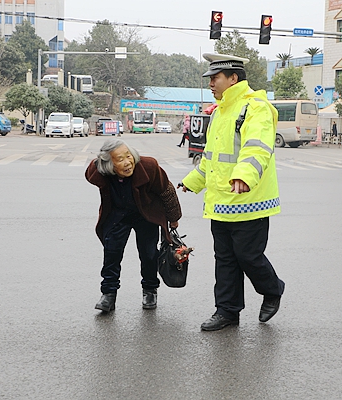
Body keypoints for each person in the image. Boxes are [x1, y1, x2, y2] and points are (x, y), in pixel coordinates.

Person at [179, 53, 285, 331]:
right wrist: (192, 181)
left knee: (248, 257)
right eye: (210, 79)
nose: (211, 83)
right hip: (221, 202)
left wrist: (245, 176)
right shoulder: (220, 111)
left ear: (233, 78)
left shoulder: (255, 107)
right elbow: (212, 158)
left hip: (250, 200)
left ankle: (272, 289)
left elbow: (257, 147)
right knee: (225, 260)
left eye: (215, 78)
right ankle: (227, 311)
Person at [86, 139, 182, 312]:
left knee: (149, 253)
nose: (127, 162)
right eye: (120, 159)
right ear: (109, 164)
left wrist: (173, 218)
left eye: (128, 156)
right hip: (117, 214)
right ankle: (108, 294)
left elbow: (167, 191)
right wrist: (101, 159)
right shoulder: (102, 171)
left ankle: (150, 290)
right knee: (111, 253)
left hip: (146, 214)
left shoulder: (149, 166)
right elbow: (90, 174)